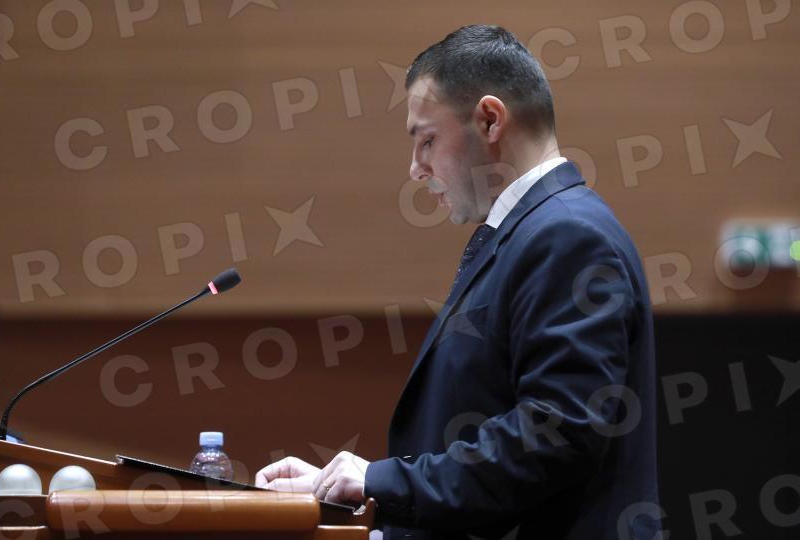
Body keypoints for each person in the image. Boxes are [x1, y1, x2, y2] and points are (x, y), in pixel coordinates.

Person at [256, 25, 661, 540]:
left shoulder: (566, 236)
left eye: (427, 139)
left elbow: (555, 434)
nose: (416, 169)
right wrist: (343, 487)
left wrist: (381, 481)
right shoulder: (532, 232)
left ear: (490, 120)